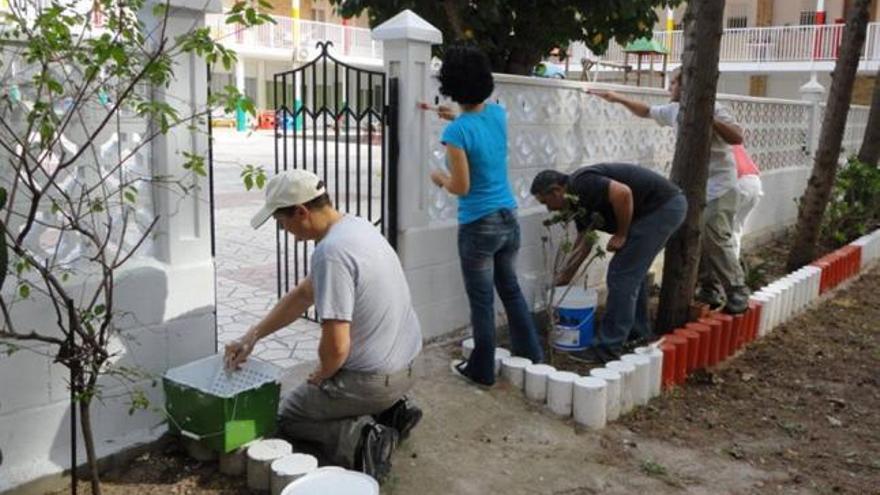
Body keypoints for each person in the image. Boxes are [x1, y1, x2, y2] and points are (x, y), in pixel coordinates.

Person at [224, 169, 423, 482]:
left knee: (290, 414)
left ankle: (362, 439)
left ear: (301, 212)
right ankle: (392, 412)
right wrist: (252, 336)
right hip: (409, 366)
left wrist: (323, 374)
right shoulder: (355, 227)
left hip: (375, 380)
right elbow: (304, 294)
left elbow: (336, 347)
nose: (283, 230)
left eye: (281, 222)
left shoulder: (331, 253)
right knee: (323, 391)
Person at [426, 45, 544, 386]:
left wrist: (439, 178)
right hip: (509, 218)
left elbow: (461, 187)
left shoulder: (456, 133)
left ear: (451, 85)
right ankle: (531, 355)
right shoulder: (497, 115)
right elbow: (478, 129)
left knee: (481, 302)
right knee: (510, 289)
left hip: (479, 226)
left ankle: (481, 370)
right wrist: (455, 118)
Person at [589, 69, 750, 314]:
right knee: (698, 237)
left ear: (688, 87)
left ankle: (737, 289)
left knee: (715, 236)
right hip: (696, 188)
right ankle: (709, 288)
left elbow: (737, 137)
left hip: (721, 185)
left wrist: (708, 118)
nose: (669, 88)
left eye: (673, 83)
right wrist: (618, 98)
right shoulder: (675, 110)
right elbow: (646, 111)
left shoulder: (716, 108)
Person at [531, 164, 687, 364]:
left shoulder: (581, 183)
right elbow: (585, 241)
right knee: (631, 274)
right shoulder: (577, 202)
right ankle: (637, 334)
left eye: (546, 202)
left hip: (662, 208)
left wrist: (621, 234)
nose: (549, 209)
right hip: (660, 208)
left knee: (621, 274)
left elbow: (623, 193)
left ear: (556, 191)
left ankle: (607, 348)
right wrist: (566, 276)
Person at [731, 144, 763, 258]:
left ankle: (727, 271)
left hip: (738, 183)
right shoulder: (728, 132)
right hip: (754, 181)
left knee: (724, 232)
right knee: (735, 230)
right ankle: (733, 268)